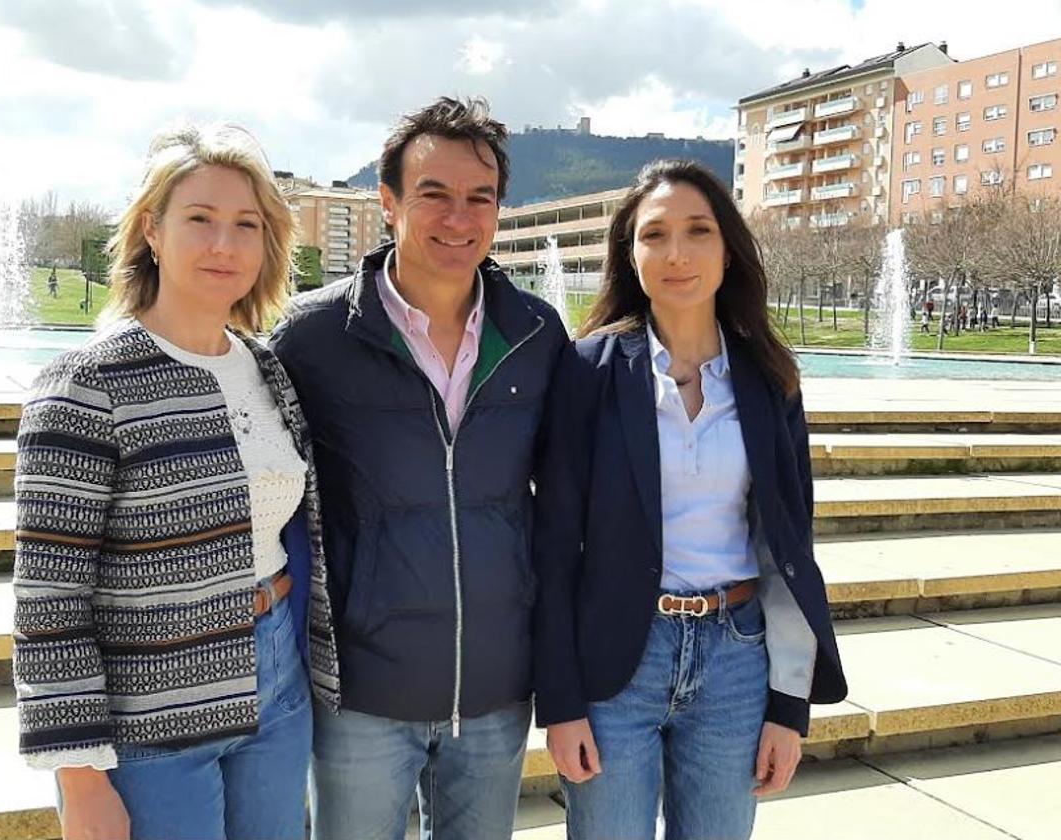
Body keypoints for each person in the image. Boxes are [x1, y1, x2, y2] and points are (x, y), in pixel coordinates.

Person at [12, 122, 340, 840]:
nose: (225, 244)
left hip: (278, 680)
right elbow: (49, 596)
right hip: (151, 713)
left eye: (246, 225)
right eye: (201, 219)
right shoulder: (86, 383)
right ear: (152, 232)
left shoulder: (266, 368)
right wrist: (79, 776)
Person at [270, 96, 569, 840]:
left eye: (480, 198)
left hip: (498, 694)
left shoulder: (537, 333)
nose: (458, 218)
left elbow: (565, 503)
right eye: (434, 194)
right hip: (364, 696)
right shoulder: (312, 338)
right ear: (389, 202)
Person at [533, 160, 848, 840]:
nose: (676, 253)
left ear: (728, 248)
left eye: (698, 231)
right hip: (618, 665)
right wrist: (560, 703)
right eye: (654, 235)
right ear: (630, 254)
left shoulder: (769, 378)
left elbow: (794, 547)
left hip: (737, 658)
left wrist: (789, 706)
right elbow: (553, 548)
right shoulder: (587, 371)